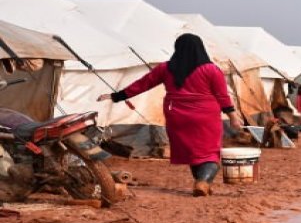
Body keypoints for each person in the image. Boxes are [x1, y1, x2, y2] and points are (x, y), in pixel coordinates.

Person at [98, 33, 243, 197]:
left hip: (177, 115)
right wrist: (233, 116)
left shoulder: (166, 68)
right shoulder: (211, 70)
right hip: (205, 116)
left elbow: (143, 84)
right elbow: (222, 96)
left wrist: (116, 96)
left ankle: (202, 184)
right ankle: (203, 182)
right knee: (209, 152)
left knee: (192, 152)